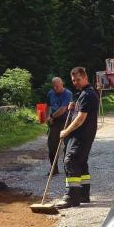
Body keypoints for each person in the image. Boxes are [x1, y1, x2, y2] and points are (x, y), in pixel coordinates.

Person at [55, 67, 99, 209]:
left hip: (81, 135)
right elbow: (80, 111)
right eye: (73, 80)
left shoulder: (87, 95)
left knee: (71, 161)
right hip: (84, 134)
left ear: (85, 77)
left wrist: (66, 131)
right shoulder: (84, 93)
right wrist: (74, 107)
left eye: (78, 80)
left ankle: (71, 197)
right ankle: (83, 194)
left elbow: (80, 119)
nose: (75, 83)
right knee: (81, 162)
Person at [46, 77, 72, 175]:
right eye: (54, 86)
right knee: (52, 146)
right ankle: (54, 169)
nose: (55, 88)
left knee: (67, 145)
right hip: (54, 122)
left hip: (66, 121)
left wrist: (51, 116)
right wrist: (47, 117)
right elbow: (47, 106)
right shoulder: (50, 93)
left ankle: (68, 168)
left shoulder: (67, 93)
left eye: (57, 86)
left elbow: (62, 109)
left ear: (62, 84)